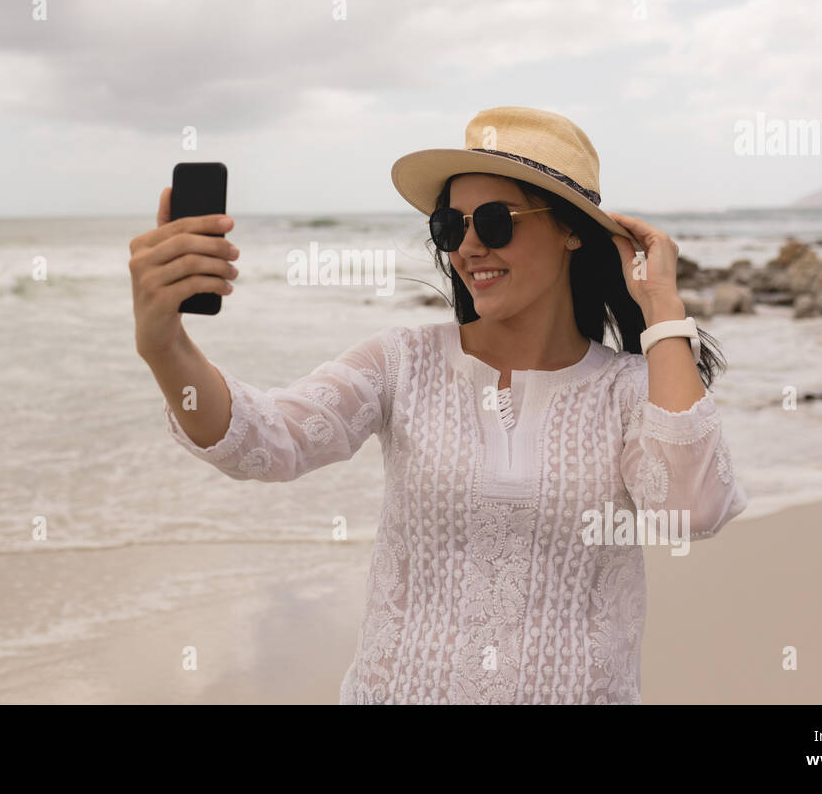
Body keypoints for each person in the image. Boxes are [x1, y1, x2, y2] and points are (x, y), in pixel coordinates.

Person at [129, 105, 748, 704]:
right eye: (450, 227)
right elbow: (264, 443)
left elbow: (687, 513)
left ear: (569, 230)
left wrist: (661, 308)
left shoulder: (630, 389)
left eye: (497, 222)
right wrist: (164, 345)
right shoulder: (402, 362)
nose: (470, 246)